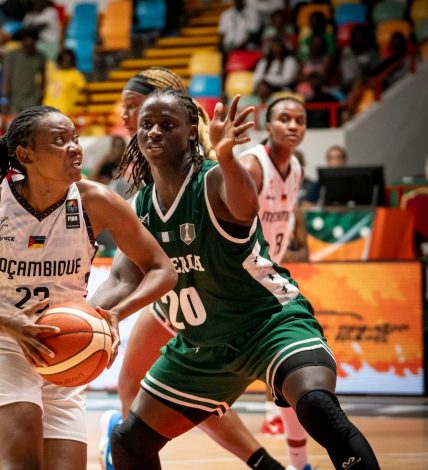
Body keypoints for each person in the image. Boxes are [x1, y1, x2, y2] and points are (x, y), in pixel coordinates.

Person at [99, 89, 380, 470]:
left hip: (268, 324)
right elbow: (121, 278)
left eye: (167, 125)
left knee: (316, 405)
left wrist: (228, 157)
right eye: (147, 125)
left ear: (191, 133)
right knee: (128, 442)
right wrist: (85, 314)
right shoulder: (140, 207)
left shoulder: (213, 179)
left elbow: (246, 206)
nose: (154, 132)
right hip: (202, 346)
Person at [0, 105, 177, 470]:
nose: (75, 148)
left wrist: (114, 314)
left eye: (75, 138)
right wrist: (6, 322)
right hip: (3, 345)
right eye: (59, 141)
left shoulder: (97, 201)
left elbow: (162, 270)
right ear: (26, 155)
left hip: (64, 347)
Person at [98, 67, 284, 470]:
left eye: (133, 106)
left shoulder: (207, 163)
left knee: (186, 389)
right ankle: (132, 449)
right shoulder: (148, 164)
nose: (126, 116)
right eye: (129, 111)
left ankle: (132, 447)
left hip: (217, 287)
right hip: (179, 288)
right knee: (142, 384)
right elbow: (126, 268)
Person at [238, 96, 312, 469]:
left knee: (291, 368)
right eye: (284, 118)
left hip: (270, 276)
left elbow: (285, 217)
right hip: (240, 279)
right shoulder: (252, 165)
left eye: (300, 119)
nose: (293, 125)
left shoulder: (295, 167)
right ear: (268, 125)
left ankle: (299, 462)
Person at [2, 29, 46, 114]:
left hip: (32, 100)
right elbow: (6, 78)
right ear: (22, 41)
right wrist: (4, 100)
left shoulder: (40, 57)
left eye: (32, 39)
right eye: (26, 39)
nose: (29, 42)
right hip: (14, 99)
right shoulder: (12, 55)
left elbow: (43, 79)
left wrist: (41, 96)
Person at [42, 48, 86, 115]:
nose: (65, 62)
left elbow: (84, 91)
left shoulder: (75, 74)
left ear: (72, 61)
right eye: (63, 59)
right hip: (46, 110)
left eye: (68, 60)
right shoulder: (54, 72)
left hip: (64, 112)